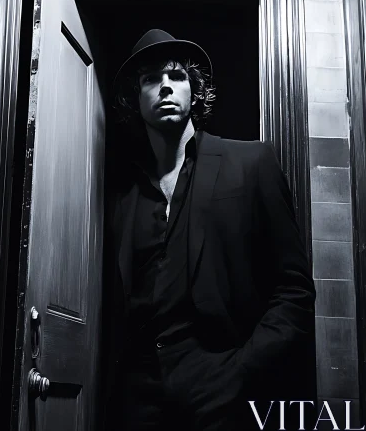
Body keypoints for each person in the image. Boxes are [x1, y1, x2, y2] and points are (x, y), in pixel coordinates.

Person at [101, 29, 317, 431]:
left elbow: (295, 291)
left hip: (222, 388)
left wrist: (241, 371)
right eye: (151, 78)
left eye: (177, 75)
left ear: (194, 91)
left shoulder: (250, 163)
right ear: (135, 98)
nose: (165, 86)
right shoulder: (120, 195)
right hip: (138, 396)